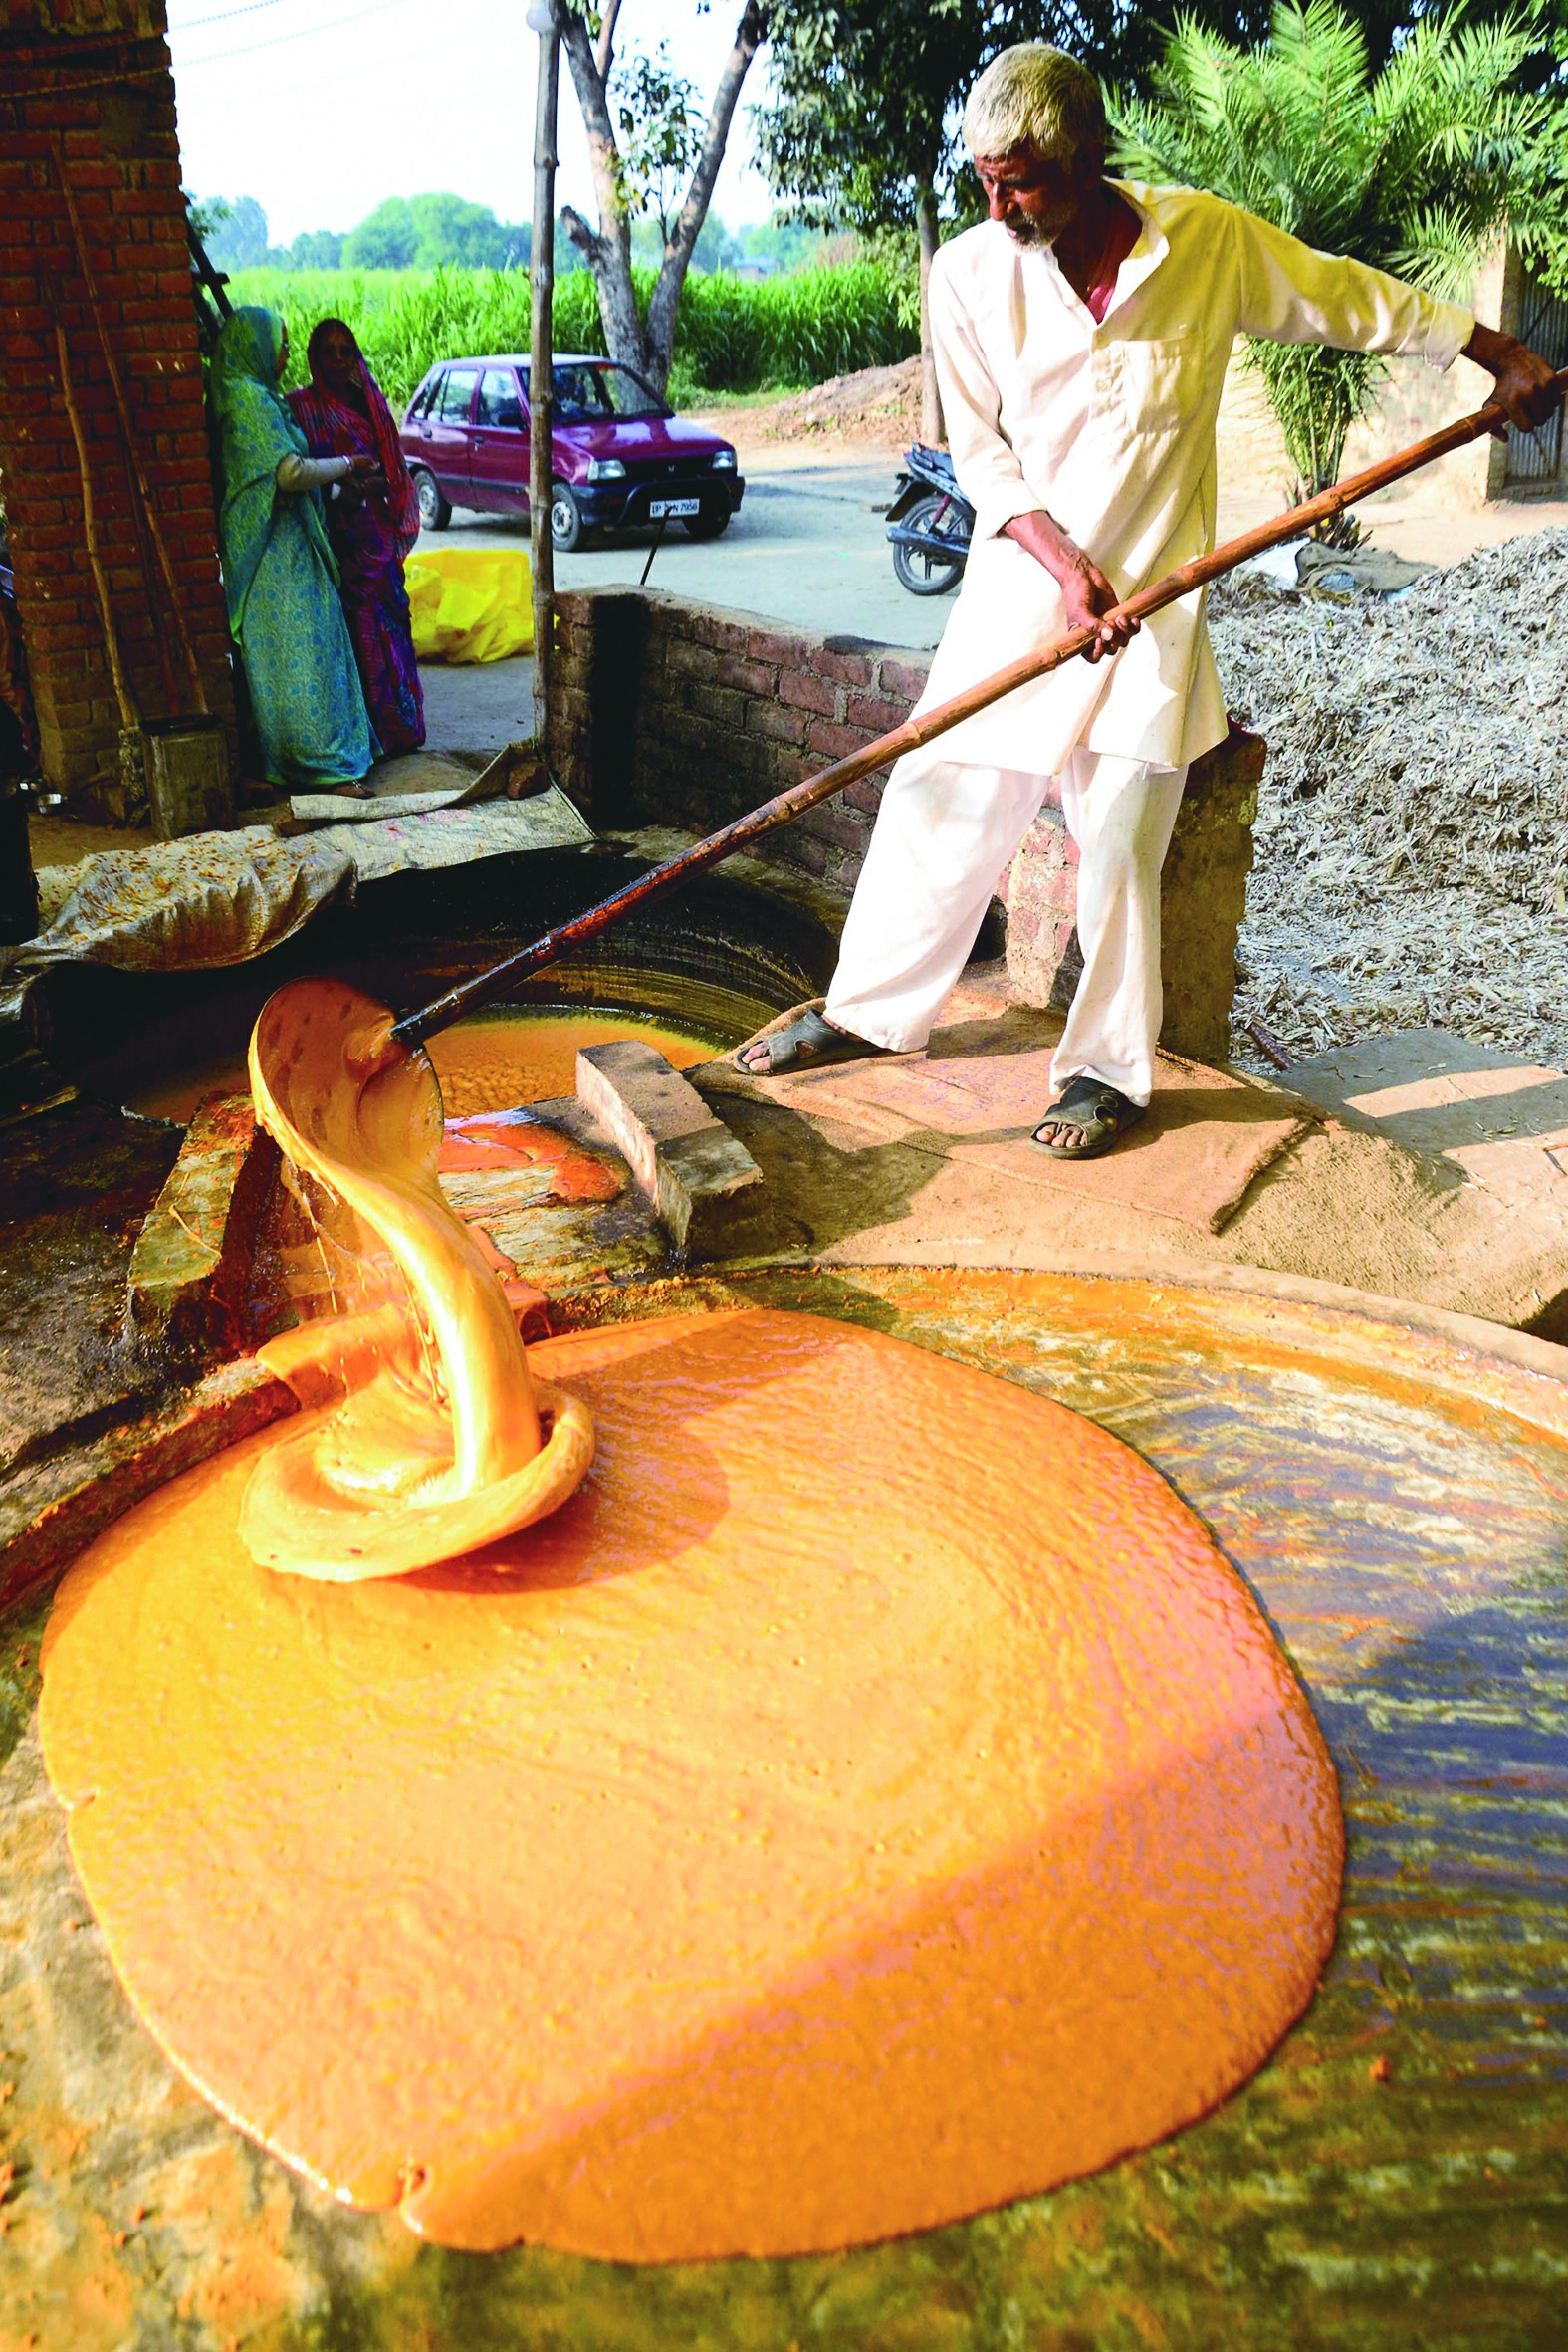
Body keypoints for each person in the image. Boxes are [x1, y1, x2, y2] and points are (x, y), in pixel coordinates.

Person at [738, 43, 1562, 1156]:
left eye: (1020, 177)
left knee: (1122, 832)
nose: (998, 201)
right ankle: (868, 1014)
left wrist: (1492, 348)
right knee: (942, 791)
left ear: (1090, 156)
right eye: (983, 177)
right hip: (1024, 587)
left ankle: (1105, 1074)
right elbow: (981, 460)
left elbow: (1338, 296)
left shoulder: (1205, 243)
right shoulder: (970, 274)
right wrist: (1062, 563)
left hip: (1157, 608)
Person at [209, 306, 379, 796]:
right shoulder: (250, 402)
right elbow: (287, 473)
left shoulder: (248, 396)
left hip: (274, 547)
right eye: (280, 343)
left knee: (283, 660)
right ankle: (325, 767)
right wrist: (347, 464)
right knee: (308, 655)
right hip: (277, 549)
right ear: (255, 347)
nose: (285, 353)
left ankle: (287, 765)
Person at [288, 318, 426, 756]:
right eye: (327, 351)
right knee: (353, 639)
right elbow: (300, 478)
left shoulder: (371, 405)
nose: (338, 359)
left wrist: (362, 487)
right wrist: (341, 488)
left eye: (345, 350)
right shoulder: (301, 409)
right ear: (313, 358)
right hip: (334, 546)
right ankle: (367, 737)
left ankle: (401, 729)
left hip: (375, 542)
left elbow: (394, 473)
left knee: (391, 632)